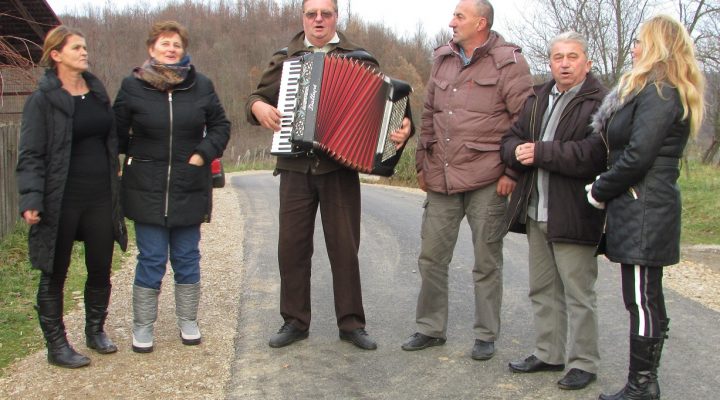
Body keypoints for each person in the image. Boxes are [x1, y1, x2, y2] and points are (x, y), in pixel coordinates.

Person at [246, 0, 413, 351]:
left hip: (340, 170)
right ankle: (294, 321)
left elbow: (393, 113)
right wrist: (258, 106)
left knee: (344, 248)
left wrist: (402, 130)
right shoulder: (285, 58)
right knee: (291, 248)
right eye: (311, 14)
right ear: (303, 18)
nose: (318, 20)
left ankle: (351, 324)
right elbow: (256, 97)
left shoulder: (361, 58)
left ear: (336, 17)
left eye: (325, 13)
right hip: (294, 166)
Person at [402, 0, 532, 360]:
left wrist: (512, 172)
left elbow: (526, 121)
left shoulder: (510, 61)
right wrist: (421, 164)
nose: (451, 22)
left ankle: (486, 335)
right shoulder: (443, 58)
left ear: (481, 22)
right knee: (431, 257)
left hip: (488, 179)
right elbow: (429, 114)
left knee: (486, 260)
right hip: (441, 176)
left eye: (459, 16)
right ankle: (429, 328)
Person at [587, 15, 705, 400]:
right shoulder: (660, 89)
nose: (634, 48)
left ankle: (642, 385)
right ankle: (645, 383)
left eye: (640, 41)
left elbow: (639, 156)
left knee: (641, 299)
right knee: (646, 298)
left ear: (657, 46)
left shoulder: (660, 91)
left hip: (643, 209)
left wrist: (601, 188)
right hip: (644, 206)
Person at [113, 20, 230, 353]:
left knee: (187, 256)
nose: (171, 48)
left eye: (176, 44)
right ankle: (142, 326)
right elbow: (117, 133)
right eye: (164, 43)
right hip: (145, 187)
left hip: (189, 184)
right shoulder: (132, 85)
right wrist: (124, 163)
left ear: (183, 50)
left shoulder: (201, 85)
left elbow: (221, 125)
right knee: (150, 258)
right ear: (152, 49)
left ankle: (188, 320)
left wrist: (203, 154)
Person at [499, 31, 607, 390]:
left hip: (574, 212)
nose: (564, 63)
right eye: (558, 56)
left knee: (578, 293)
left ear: (587, 62)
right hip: (535, 210)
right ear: (550, 61)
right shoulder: (540, 96)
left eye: (572, 56)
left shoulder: (600, 102)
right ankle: (549, 353)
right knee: (542, 289)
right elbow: (510, 138)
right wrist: (516, 152)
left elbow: (593, 155)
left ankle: (584, 362)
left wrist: (540, 152)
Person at [16, 26, 128, 368]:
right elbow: (31, 154)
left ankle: (95, 331)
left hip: (100, 196)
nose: (84, 52)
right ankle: (57, 345)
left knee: (100, 267)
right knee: (55, 271)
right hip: (61, 198)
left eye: (84, 47)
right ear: (56, 54)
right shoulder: (42, 99)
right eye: (76, 48)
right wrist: (31, 198)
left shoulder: (96, 92)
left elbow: (111, 140)